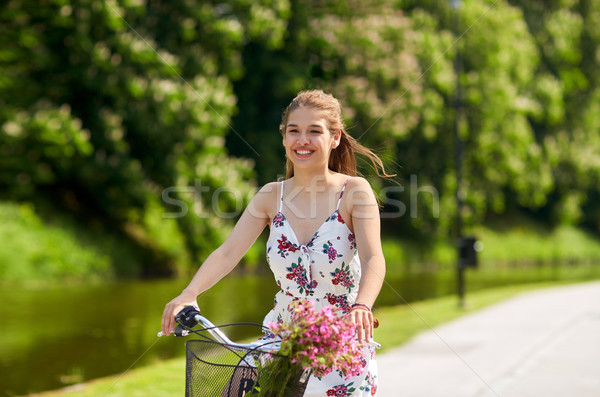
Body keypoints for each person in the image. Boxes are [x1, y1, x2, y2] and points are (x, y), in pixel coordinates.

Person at [162, 89, 391, 396]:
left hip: (340, 344)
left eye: (314, 131)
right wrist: (189, 293)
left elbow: (373, 257)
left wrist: (362, 304)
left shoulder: (354, 191)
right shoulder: (271, 196)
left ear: (334, 137)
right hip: (280, 339)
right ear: (284, 138)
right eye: (293, 131)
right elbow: (228, 252)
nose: (302, 140)